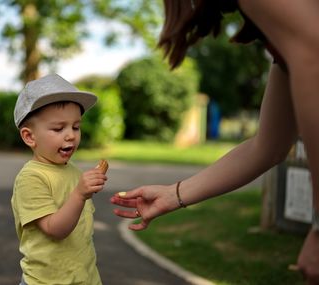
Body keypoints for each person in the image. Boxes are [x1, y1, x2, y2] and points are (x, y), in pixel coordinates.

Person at [110, 0, 319, 284]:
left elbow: (314, 53)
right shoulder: (287, 39)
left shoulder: (303, 40)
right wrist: (174, 194)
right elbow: (267, 148)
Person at [11, 74, 107, 285]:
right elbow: (55, 230)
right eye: (58, 128)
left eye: (76, 127)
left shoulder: (72, 170)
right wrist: (80, 194)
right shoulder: (31, 178)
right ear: (29, 137)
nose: (71, 135)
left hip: (85, 278)